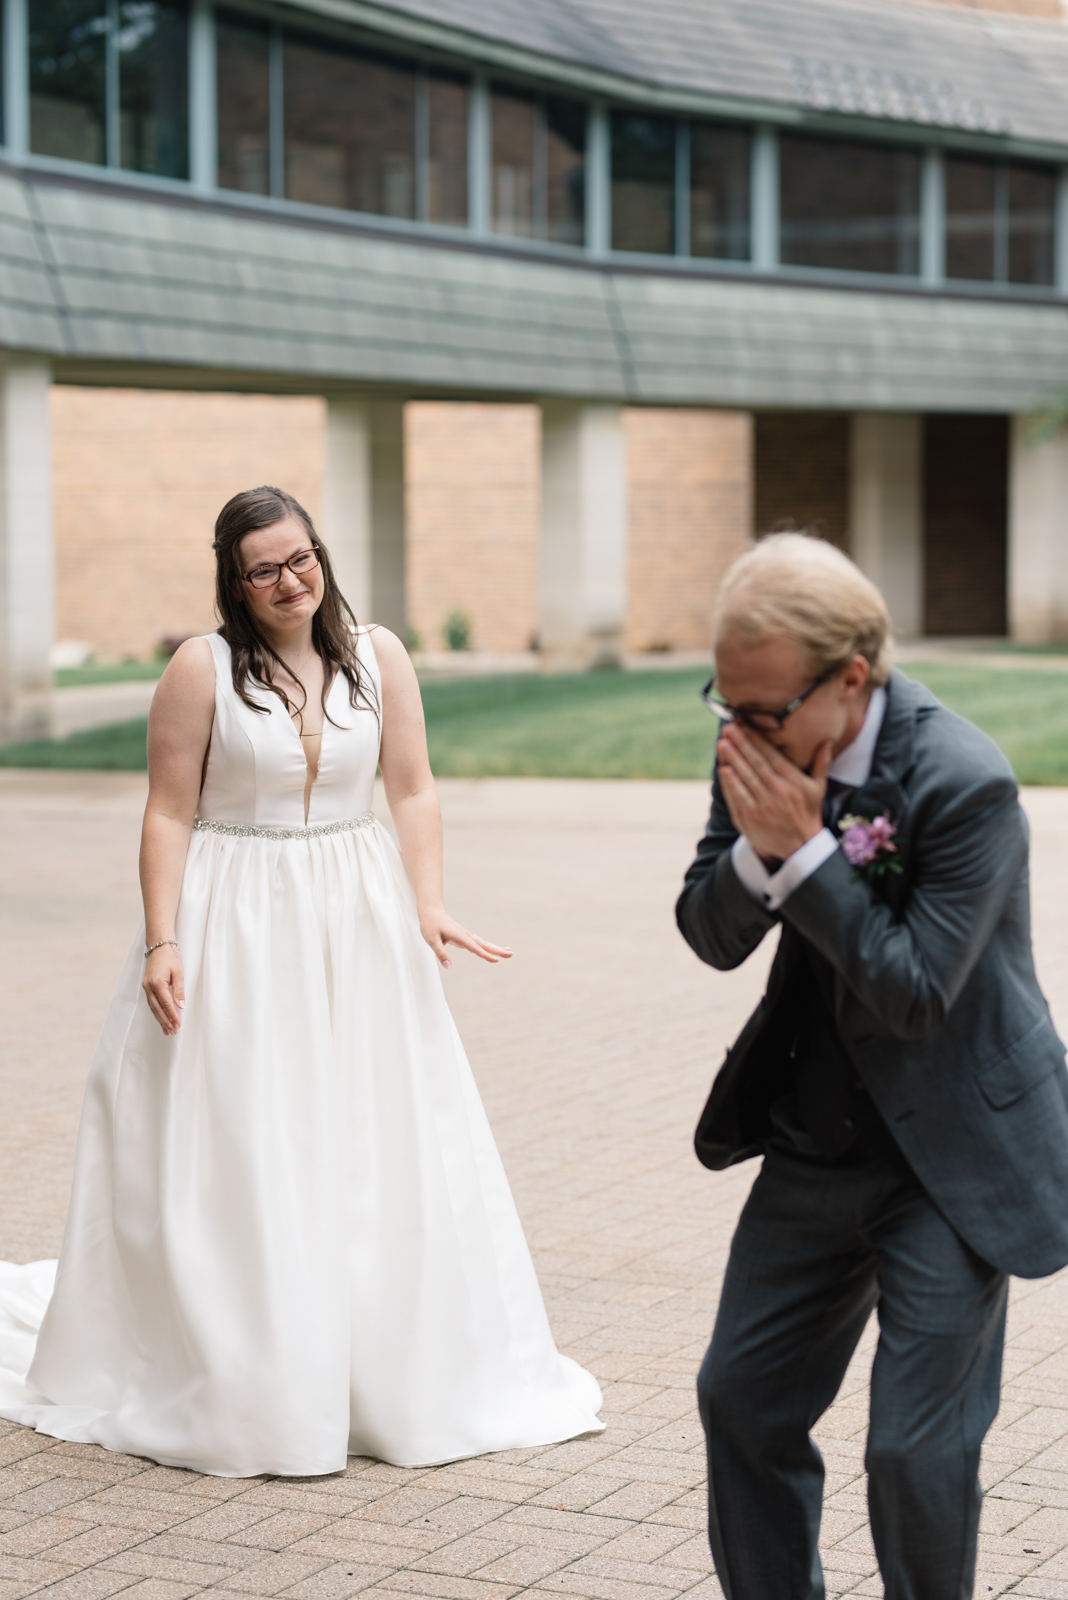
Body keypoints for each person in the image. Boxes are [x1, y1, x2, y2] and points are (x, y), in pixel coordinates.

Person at [0, 485, 603, 1478]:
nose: (289, 581)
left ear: (321, 555)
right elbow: (165, 814)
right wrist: (162, 940)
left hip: (356, 913)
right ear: (235, 581)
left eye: (301, 558)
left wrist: (431, 899)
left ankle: (374, 1364)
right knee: (247, 1132)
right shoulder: (200, 669)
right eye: (264, 568)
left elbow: (410, 785)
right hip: (232, 912)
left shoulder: (381, 655)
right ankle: (253, 1367)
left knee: (368, 1128)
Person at [676, 533, 1068, 1600]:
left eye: (761, 711)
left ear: (850, 680)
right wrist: (761, 852)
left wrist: (804, 855)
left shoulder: (963, 781)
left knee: (913, 1452)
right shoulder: (758, 748)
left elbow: (915, 992)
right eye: (726, 703)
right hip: (814, 1142)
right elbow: (708, 933)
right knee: (741, 1400)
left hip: (953, 1154)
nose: (739, 731)